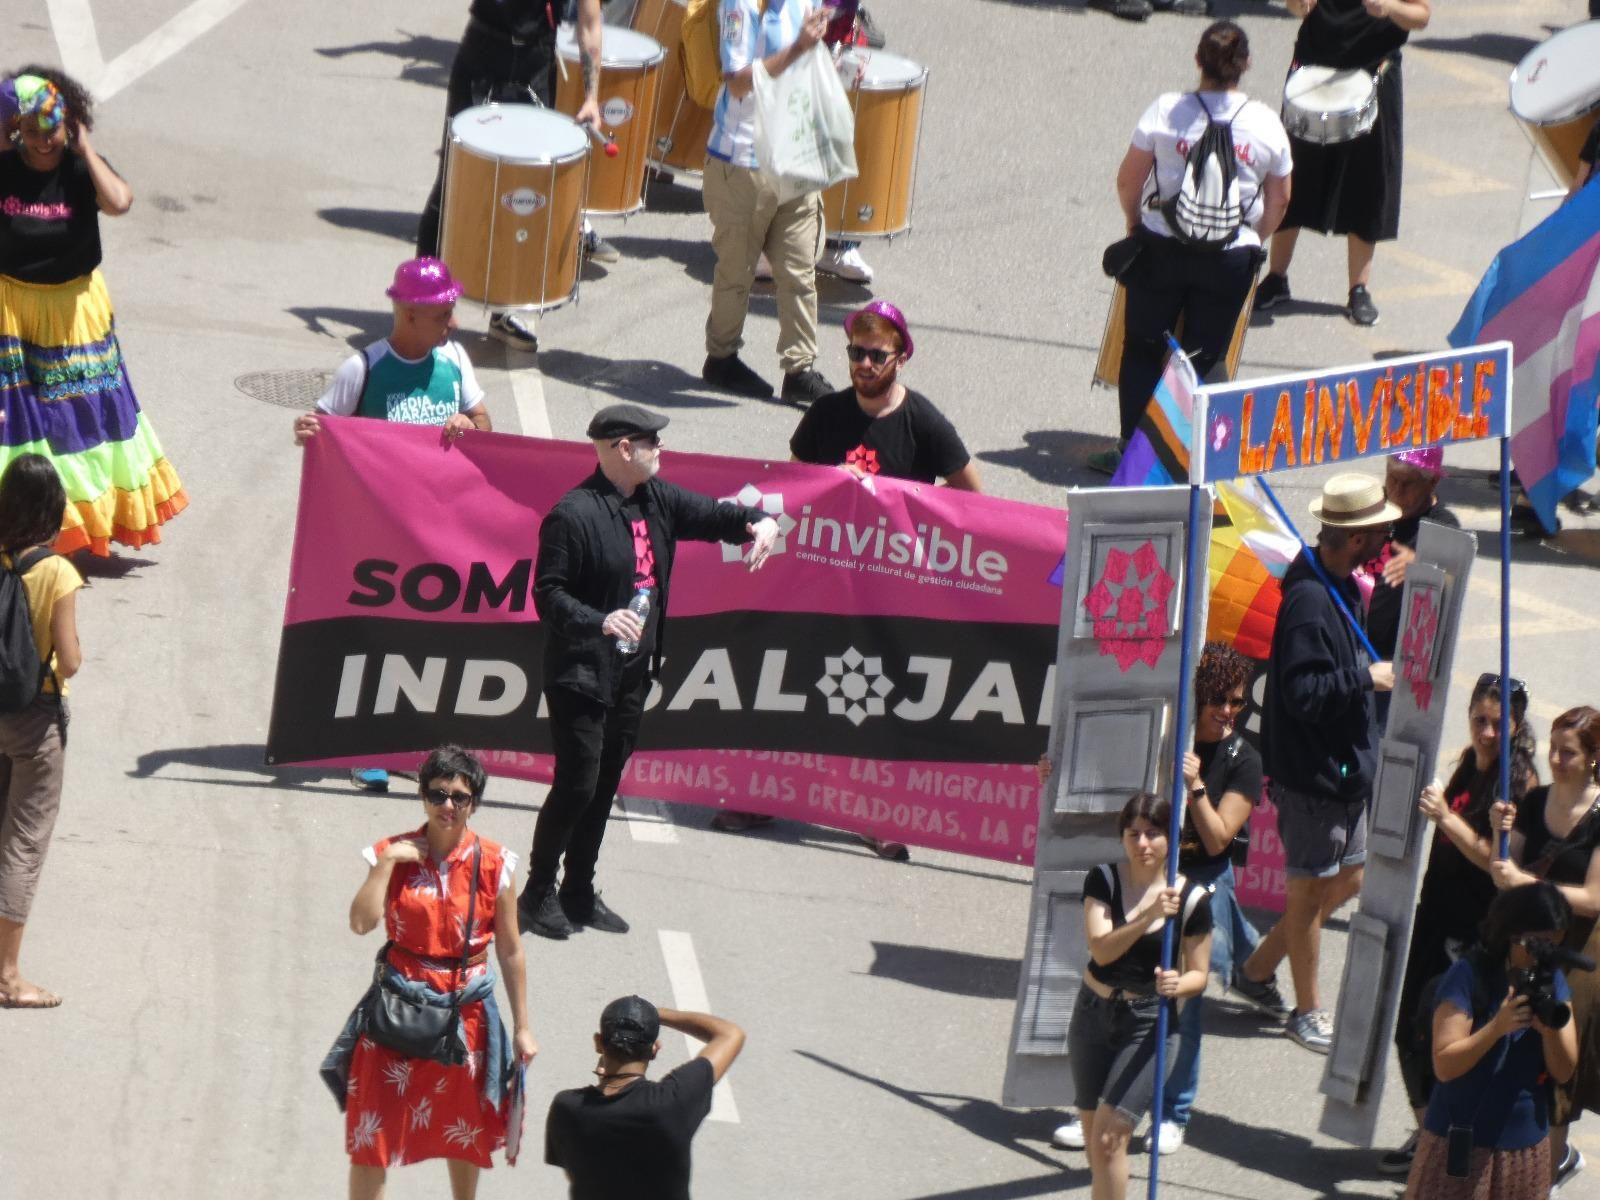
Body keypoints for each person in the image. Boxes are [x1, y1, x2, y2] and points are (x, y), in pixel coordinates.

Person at [710, 301, 975, 858]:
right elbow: (792, 482)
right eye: (856, 352)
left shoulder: (922, 421)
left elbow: (971, 495)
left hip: (885, 588)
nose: (864, 364)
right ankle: (763, 796)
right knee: (790, 684)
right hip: (820, 581)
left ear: (901, 357)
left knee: (869, 699)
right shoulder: (827, 413)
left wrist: (911, 513)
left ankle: (872, 814)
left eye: (877, 354)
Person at [520, 403, 781, 940]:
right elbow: (548, 594)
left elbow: (717, 516)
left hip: (632, 673)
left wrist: (760, 523)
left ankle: (578, 890)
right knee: (578, 783)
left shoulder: (656, 498)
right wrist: (600, 620)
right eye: (650, 441)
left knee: (607, 782)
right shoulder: (574, 514)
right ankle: (538, 890)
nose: (660, 448)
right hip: (581, 673)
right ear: (622, 448)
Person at [1054, 642, 1280, 1156]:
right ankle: (1096, 1104)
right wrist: (1052, 775)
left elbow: (1221, 837)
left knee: (1183, 995)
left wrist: (1196, 785)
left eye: (1239, 703)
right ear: (1197, 694)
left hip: (1200, 880)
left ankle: (1172, 1112)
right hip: (1145, 874)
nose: (1229, 712)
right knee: (1118, 981)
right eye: (1220, 699)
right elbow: (1104, 780)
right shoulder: (1162, 732)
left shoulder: (1243, 759)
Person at [294, 256, 491, 795]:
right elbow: (323, 437)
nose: (453, 323)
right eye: (444, 313)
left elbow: (484, 425)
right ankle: (366, 749)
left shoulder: (454, 359)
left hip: (438, 535)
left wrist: (467, 425)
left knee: (429, 644)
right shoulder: (362, 369)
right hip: (377, 535)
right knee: (373, 640)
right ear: (408, 313)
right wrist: (310, 431)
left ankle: (413, 747)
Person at [321, 746, 539, 1200]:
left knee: (463, 1131)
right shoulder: (389, 852)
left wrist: (523, 1028)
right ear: (422, 797)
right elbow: (361, 923)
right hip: (396, 1012)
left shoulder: (497, 865)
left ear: (474, 803)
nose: (448, 806)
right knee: (370, 1136)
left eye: (460, 797)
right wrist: (386, 865)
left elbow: (511, 950)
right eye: (438, 794)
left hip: (466, 1018)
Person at [1234, 473, 1397, 1054]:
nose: (1388, 536)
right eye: (1380, 529)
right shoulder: (1308, 601)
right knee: (1307, 895)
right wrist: (1365, 678)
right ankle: (1308, 1010)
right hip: (1313, 777)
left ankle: (1255, 969)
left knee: (1347, 878)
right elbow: (1302, 694)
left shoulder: (1344, 583)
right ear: (1354, 539)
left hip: (1344, 772)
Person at [0, 68, 186, 556]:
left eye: (54, 131)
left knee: (75, 421)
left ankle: (74, 522)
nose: (44, 142)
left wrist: (85, 150)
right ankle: (17, 522)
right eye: (32, 132)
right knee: (14, 422)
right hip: (11, 310)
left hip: (74, 313)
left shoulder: (82, 169)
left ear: (71, 124)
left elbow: (121, 201)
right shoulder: (5, 166)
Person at [1095, 21, 1292, 475]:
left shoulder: (1167, 110)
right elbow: (1280, 198)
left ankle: (1133, 453)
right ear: (1245, 66)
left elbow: (1129, 178)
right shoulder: (1264, 123)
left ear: (1198, 60)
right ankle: (1196, 460)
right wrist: (1252, 239)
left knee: (1143, 347)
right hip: (1230, 257)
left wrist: (1134, 222)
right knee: (1205, 357)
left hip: (1162, 247)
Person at [1379, 674, 1539, 1178]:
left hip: (1473, 930)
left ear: (1516, 725)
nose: (1487, 732)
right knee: (1407, 1032)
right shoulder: (1468, 765)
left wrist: (1449, 819)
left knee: (1439, 1035)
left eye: (1498, 723)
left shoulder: (1518, 785)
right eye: (1479, 721)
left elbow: (1498, 865)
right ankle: (1431, 1131)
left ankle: (1440, 1142)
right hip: (1435, 915)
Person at [413, 0, 606, 352]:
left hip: (536, 62)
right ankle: (424, 304)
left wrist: (592, 96)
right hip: (484, 53)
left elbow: (590, 21)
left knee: (523, 193)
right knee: (452, 185)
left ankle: (506, 308)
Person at [1066, 792, 1212, 1200]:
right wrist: (1148, 916)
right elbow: (1101, 948)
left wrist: (1176, 984)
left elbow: (1199, 975)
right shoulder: (1103, 880)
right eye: (1134, 835)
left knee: (1111, 1140)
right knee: (1097, 1144)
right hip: (1092, 1014)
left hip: (1148, 1024)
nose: (1143, 844)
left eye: (1153, 834)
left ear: (1172, 839)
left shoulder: (1193, 900)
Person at [1253, 0, 1433, 328]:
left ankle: (1358, 289)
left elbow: (1421, 16)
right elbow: (1296, 7)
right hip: (1314, 67)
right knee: (1292, 176)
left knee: (1368, 183)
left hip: (1373, 70)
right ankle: (1276, 277)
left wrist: (1391, 7)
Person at [1402, 882, 1580, 1200]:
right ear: (1511, 934)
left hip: (1525, 1151)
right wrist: (1496, 1028)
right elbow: (1444, 1063)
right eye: (1536, 943)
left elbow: (1565, 1071)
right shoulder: (1468, 976)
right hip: (1459, 1144)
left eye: (1554, 943)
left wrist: (1549, 1031)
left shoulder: (1552, 982)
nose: (1543, 954)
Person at [699, 0, 835, 407]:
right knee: (737, 271)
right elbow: (738, 82)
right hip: (744, 163)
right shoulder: (741, 4)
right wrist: (798, 49)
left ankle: (800, 369)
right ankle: (721, 358)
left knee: (799, 270)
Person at [1489, 706, 1600, 1194]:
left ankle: (1544, 1176)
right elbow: (1504, 869)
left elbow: (1594, 899)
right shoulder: (1533, 802)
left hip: (1578, 952)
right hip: (1529, 944)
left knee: (1557, 1074)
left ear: (1595, 758)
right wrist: (1499, 832)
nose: (1555, 759)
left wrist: (1532, 884)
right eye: (1552, 748)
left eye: (1569, 752)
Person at [0, 455, 81, 1010]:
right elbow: (69, 661)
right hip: (33, 723)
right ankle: (8, 976)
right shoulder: (55, 571)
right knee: (22, 845)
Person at [545, 995, 745, 1198]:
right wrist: (656, 1014)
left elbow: (575, 1174)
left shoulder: (566, 1107)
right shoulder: (671, 1102)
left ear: (598, 1043)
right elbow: (730, 1034)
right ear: (654, 1049)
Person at [1359, 447, 1459, 727]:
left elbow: (1453, 574)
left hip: (1399, 665)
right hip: (1358, 649)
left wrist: (1423, 563)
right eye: (1392, 479)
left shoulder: (1443, 526)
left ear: (1432, 482)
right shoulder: (1375, 508)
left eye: (1408, 483)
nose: (1396, 490)